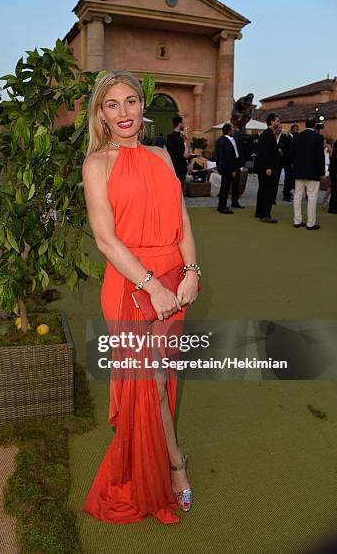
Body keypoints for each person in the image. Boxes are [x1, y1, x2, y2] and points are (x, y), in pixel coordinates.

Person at [81, 70, 201, 524]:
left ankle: (165, 458)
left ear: (141, 106)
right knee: (146, 382)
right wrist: (154, 287)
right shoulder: (97, 164)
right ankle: (173, 464)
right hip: (133, 286)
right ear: (101, 113)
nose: (124, 112)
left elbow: (182, 219)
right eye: (112, 105)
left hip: (175, 280)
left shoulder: (161, 155)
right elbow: (106, 240)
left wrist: (190, 273)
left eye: (131, 101)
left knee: (162, 377)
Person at [291, 116, 325, 230]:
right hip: (313, 172)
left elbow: (292, 154)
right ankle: (311, 223)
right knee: (312, 197)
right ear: (315, 124)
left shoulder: (297, 137)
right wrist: (322, 172)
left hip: (299, 171)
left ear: (305, 124)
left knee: (297, 196)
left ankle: (297, 220)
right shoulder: (318, 137)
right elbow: (320, 157)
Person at [254, 113, 282, 223]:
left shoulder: (266, 133)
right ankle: (265, 214)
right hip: (267, 168)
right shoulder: (269, 134)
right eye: (277, 121)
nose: (278, 123)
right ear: (272, 122)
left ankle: (260, 212)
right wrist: (268, 167)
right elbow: (265, 152)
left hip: (264, 167)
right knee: (267, 191)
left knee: (262, 190)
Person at [214, 122, 244, 213]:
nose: (234, 130)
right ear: (229, 130)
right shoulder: (224, 141)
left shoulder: (226, 139)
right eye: (232, 129)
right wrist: (233, 170)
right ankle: (222, 207)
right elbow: (227, 157)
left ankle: (234, 202)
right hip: (229, 168)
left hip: (233, 165)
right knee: (225, 187)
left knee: (235, 186)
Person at [166, 116, 188, 193]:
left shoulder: (181, 136)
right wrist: (182, 155)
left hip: (182, 166)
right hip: (176, 167)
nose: (183, 125)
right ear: (179, 123)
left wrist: (185, 141)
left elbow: (184, 150)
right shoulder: (171, 136)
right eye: (183, 123)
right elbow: (171, 152)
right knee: (175, 189)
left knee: (180, 188)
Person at [282, 124, 299, 201]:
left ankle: (288, 192)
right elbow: (287, 151)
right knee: (288, 178)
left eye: (297, 129)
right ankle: (286, 194)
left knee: (292, 178)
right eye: (295, 129)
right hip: (288, 162)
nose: (297, 131)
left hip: (294, 162)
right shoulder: (287, 138)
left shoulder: (296, 138)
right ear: (291, 130)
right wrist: (290, 161)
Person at [321, 141, 332, 210]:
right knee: (330, 188)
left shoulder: (329, 148)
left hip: (329, 168)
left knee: (330, 188)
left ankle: (325, 202)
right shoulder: (320, 149)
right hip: (326, 169)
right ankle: (325, 202)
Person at [328, 140, 337, 214]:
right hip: (335, 170)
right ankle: (333, 208)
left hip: (333, 170)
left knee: (334, 189)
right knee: (334, 190)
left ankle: (332, 207)